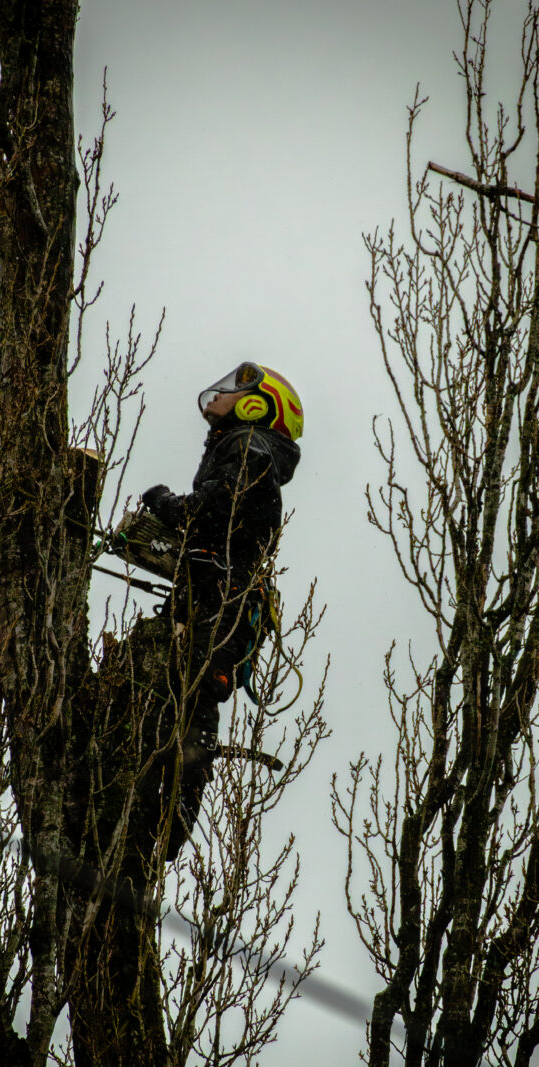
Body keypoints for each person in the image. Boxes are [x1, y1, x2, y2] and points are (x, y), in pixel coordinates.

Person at [140, 361, 303, 857]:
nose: (224, 391)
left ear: (259, 405)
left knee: (185, 697)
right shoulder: (241, 450)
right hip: (215, 599)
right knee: (180, 695)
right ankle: (161, 817)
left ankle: (163, 820)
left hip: (220, 604)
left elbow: (207, 509)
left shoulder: (250, 450)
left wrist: (163, 502)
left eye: (241, 388)